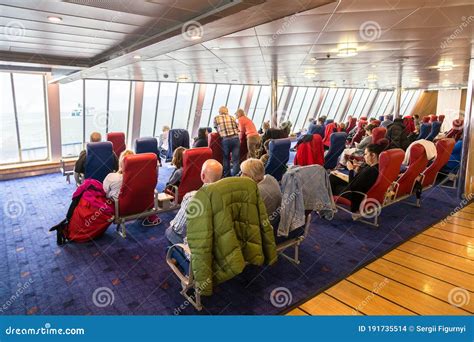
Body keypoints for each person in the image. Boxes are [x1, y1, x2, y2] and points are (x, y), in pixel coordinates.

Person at [165, 159, 223, 245]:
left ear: (202, 176)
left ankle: (174, 254)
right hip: (215, 244)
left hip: (194, 248)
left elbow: (178, 228)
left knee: (170, 231)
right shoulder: (226, 196)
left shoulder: (191, 197)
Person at [103, 149, 161, 226]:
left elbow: (104, 192)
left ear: (121, 163)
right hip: (145, 206)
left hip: (123, 209)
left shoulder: (112, 177)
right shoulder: (145, 177)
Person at [329, 140, 388, 215]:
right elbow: (362, 180)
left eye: (366, 154)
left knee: (331, 180)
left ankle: (325, 204)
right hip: (360, 192)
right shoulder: (378, 167)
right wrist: (358, 170)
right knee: (334, 177)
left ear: (373, 155)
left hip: (353, 196)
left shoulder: (370, 171)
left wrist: (351, 170)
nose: (364, 156)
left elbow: (352, 186)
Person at [240, 158, 282, 227]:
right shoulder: (270, 178)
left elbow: (246, 216)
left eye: (243, 173)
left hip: (263, 226)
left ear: (251, 175)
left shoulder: (256, 193)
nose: (241, 176)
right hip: (275, 219)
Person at [213, 106, 240, 177]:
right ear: (227, 111)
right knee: (235, 159)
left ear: (219, 112)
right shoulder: (232, 117)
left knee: (226, 158)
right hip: (235, 138)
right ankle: (236, 175)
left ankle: (227, 175)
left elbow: (216, 128)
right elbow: (237, 127)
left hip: (226, 139)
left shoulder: (216, 118)